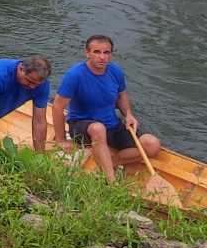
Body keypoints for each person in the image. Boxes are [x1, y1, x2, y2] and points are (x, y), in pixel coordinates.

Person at [52, 35, 162, 183]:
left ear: (111, 54)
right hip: (82, 125)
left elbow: (121, 96)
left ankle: (110, 161)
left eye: (106, 52)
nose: (102, 57)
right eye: (97, 52)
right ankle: (111, 182)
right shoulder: (75, 75)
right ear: (87, 53)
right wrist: (61, 140)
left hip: (112, 125)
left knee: (152, 145)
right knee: (98, 129)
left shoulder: (115, 71)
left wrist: (128, 114)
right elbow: (58, 107)